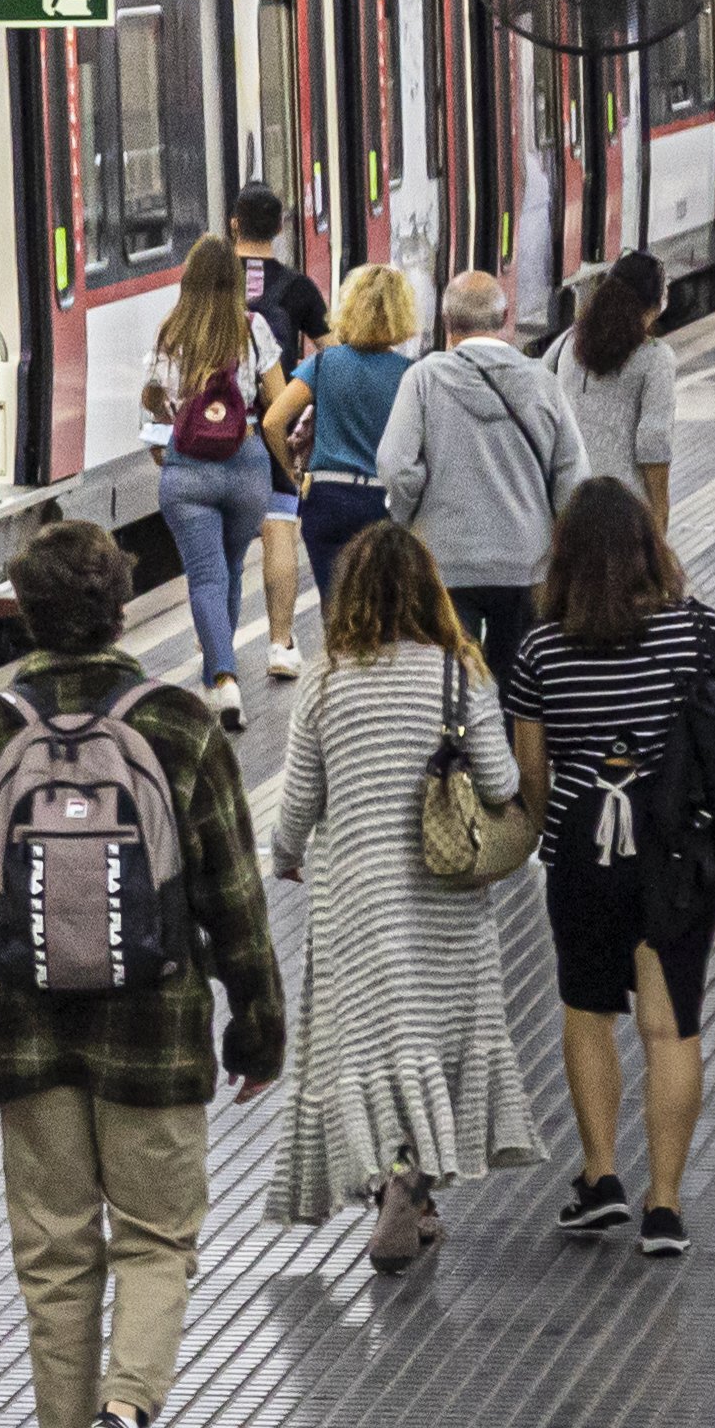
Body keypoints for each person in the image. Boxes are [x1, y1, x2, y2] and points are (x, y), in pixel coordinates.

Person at [0, 520, 283, 1428]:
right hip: (156, 1030)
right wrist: (258, 1028)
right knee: (157, 1240)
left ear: (23, 611)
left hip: (26, 1032)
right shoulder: (172, 721)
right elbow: (231, 891)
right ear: (119, 603)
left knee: (56, 1254)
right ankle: (125, 1416)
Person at [502, 476, 715, 1256]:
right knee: (670, 1028)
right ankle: (664, 1206)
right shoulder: (694, 628)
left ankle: (601, 1179)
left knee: (587, 1011)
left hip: (581, 853)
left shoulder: (539, 647)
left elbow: (532, 771)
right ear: (645, 549)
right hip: (674, 853)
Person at [268, 524, 540, 1271]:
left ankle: (399, 1181)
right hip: (445, 895)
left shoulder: (325, 679)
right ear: (430, 589)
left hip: (355, 902)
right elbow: (499, 782)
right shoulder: (460, 673)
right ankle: (412, 1187)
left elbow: (298, 801)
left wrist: (283, 855)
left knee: (376, 1045)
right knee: (438, 1040)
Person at [381, 269, 585, 685]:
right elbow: (573, 478)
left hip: (444, 562)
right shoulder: (544, 383)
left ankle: (459, 749)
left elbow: (396, 466)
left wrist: (408, 520)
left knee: (452, 682)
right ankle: (510, 748)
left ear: (445, 321)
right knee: (523, 684)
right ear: (506, 316)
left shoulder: (423, 379)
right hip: (529, 563)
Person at [141, 232, 304, 729]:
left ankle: (223, 680)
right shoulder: (253, 330)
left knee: (206, 577)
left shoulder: (170, 333)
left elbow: (152, 409)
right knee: (230, 568)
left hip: (188, 468)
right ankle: (222, 668)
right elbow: (279, 405)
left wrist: (168, 450)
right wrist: (292, 469)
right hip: (247, 465)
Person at [229, 187, 332, 682]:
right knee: (279, 529)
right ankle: (279, 643)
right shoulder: (298, 287)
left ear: (233, 225)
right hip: (274, 424)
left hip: (215, 431)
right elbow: (331, 356)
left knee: (218, 548)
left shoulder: (209, 280)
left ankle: (220, 661)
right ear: (281, 228)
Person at [294, 263, 424, 604]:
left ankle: (338, 656)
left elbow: (273, 420)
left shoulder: (324, 363)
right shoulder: (410, 375)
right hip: (382, 501)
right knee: (383, 605)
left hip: (327, 497)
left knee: (334, 605)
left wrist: (296, 474)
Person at [554, 253, 682, 533]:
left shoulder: (567, 343)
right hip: (625, 510)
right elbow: (653, 440)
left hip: (569, 501)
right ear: (655, 304)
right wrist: (660, 512)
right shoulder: (655, 358)